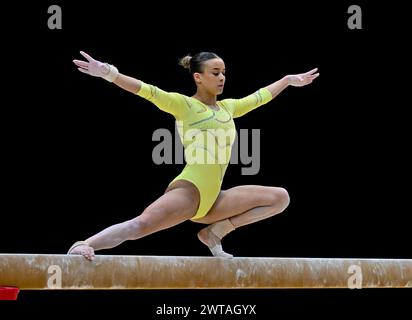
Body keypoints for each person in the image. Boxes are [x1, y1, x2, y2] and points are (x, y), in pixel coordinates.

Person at [69, 51, 319, 260]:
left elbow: (259, 97)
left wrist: (287, 80)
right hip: (191, 191)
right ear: (198, 77)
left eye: (224, 73)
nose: (222, 78)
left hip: (214, 199)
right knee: (141, 225)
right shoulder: (184, 105)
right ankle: (84, 243)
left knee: (279, 198)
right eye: (215, 73)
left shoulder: (228, 108)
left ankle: (214, 233)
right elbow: (147, 91)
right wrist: (109, 73)